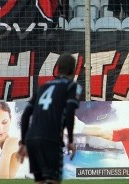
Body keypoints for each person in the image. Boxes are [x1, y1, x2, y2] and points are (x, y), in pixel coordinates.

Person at [18, 53, 81, 183]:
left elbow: (25, 116)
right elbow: (70, 113)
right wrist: (70, 140)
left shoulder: (43, 87)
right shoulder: (72, 86)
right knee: (53, 180)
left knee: (40, 181)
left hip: (32, 139)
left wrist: (24, 142)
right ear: (74, 70)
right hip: (51, 138)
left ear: (57, 68)